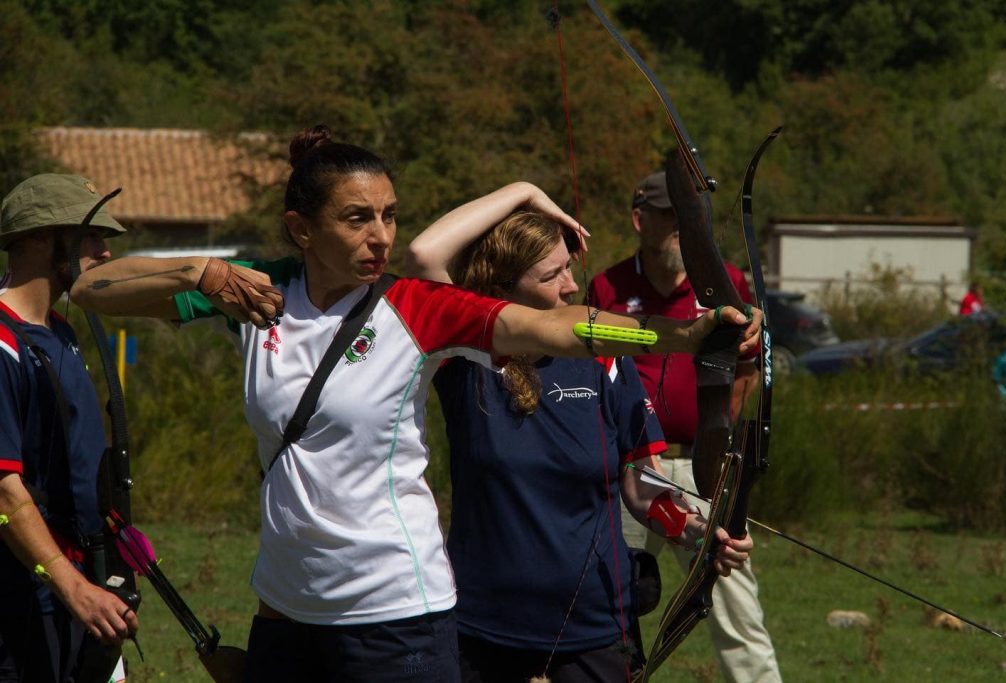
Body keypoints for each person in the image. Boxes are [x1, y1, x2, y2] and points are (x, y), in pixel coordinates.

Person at [70, 125, 761, 682]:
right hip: (285, 611)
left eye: (389, 216)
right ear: (301, 229)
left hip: (397, 618)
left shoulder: (413, 307)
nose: (381, 236)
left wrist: (681, 333)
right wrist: (201, 270)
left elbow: (556, 328)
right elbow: (91, 291)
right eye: (357, 218)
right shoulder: (255, 298)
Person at [405, 184, 754, 682]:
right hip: (483, 627)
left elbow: (641, 484)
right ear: (504, 288)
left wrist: (695, 530)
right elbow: (424, 256)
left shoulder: (606, 358)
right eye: (552, 275)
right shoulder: (467, 358)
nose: (571, 286)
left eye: (570, 267)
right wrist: (525, 192)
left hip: (594, 625)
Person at [589, 171, 783, 683]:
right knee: (613, 603)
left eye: (689, 217)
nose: (682, 228)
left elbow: (747, 370)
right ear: (640, 220)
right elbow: (592, 373)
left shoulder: (723, 284)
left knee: (734, 608)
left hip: (703, 463)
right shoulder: (607, 286)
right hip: (633, 466)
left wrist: (717, 438)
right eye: (671, 215)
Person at [0, 174, 139, 682]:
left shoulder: (62, 330)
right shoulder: (1, 343)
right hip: (23, 605)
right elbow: (3, 493)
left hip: (84, 590)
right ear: (38, 238)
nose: (103, 253)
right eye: (91, 237)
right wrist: (72, 587)